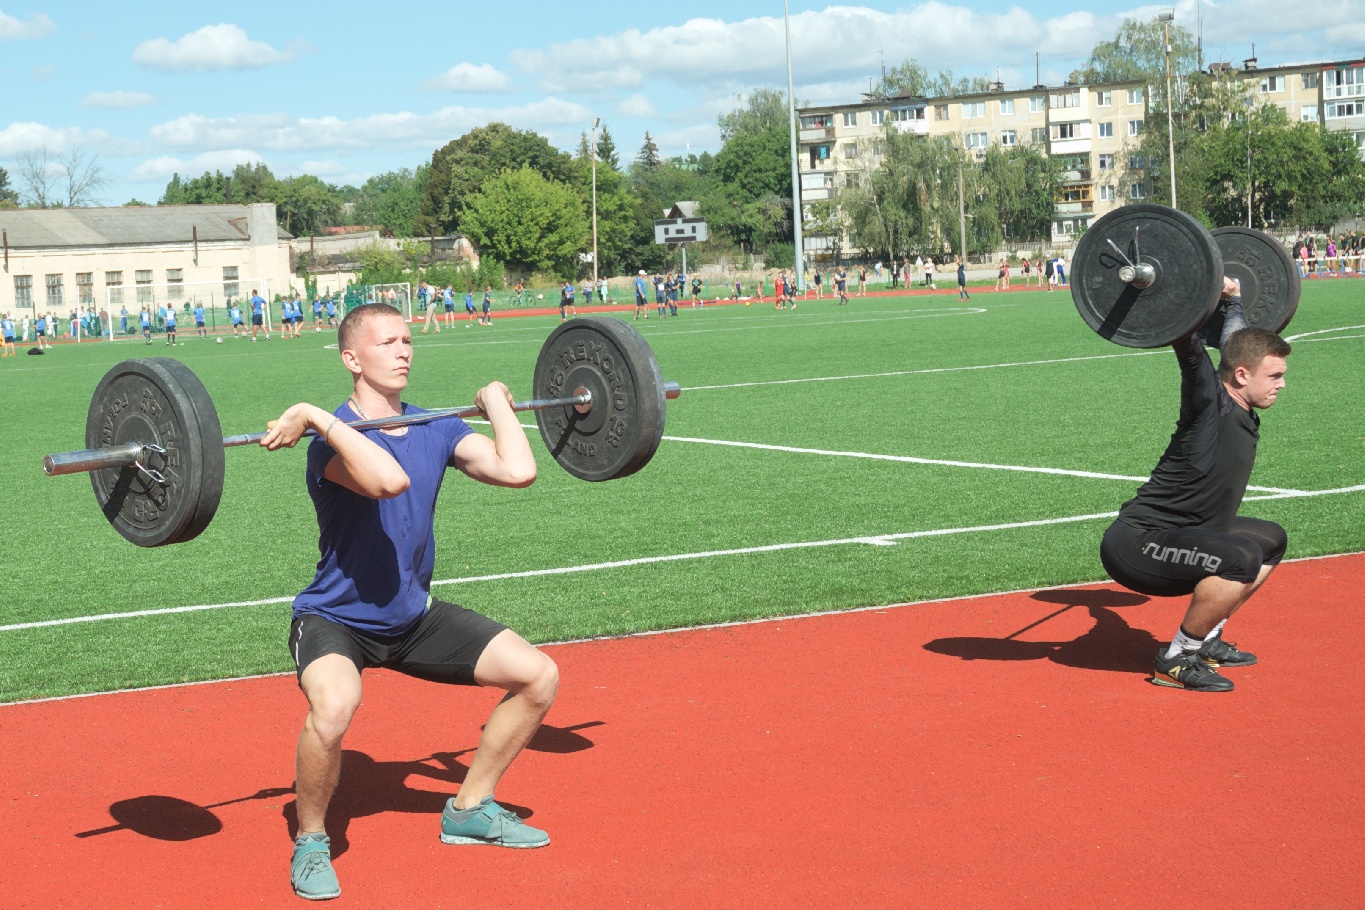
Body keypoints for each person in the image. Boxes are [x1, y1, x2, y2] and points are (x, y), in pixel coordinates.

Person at [259, 303, 558, 901]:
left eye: (407, 340)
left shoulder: (434, 426)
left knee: (538, 677)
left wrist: (495, 401)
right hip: (335, 618)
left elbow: (518, 470)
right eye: (388, 342)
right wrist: (317, 416)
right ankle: (311, 840)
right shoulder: (327, 446)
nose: (403, 351)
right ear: (352, 359)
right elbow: (387, 481)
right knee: (334, 708)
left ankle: (470, 808)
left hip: (412, 617)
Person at [1099, 279, 1290, 693]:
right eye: (1274, 375)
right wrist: (1176, 289)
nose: (1281, 384)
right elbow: (1190, 350)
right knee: (1241, 558)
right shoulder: (1209, 403)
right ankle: (1175, 659)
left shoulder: (1241, 400)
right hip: (1138, 543)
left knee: (1271, 540)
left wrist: (1233, 299)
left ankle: (1206, 639)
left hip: (1191, 530)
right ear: (1242, 375)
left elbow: (1234, 344)